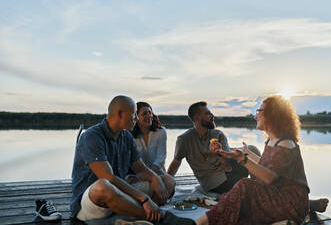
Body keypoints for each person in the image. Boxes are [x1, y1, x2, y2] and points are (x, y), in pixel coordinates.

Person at [193, 95, 326, 225]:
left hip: (291, 203)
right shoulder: (272, 140)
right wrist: (245, 153)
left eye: (259, 111)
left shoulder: (286, 143)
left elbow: (271, 178)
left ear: (273, 114)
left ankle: (200, 223)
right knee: (234, 204)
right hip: (280, 197)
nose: (255, 116)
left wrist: (242, 159)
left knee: (244, 186)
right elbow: (267, 166)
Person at [70, 95, 195, 224]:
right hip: (91, 203)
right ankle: (160, 217)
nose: (136, 118)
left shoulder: (126, 136)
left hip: (119, 195)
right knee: (103, 186)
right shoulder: (92, 136)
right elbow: (108, 177)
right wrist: (144, 198)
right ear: (119, 114)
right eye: (134, 114)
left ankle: (132, 213)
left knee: (168, 181)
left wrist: (155, 178)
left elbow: (140, 169)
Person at [167, 101, 260, 194]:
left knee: (252, 149)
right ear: (197, 118)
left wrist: (219, 153)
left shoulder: (218, 134)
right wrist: (166, 183)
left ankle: (260, 185)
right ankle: (259, 187)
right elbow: (176, 162)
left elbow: (228, 164)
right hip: (215, 182)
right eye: (207, 114)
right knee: (250, 160)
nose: (212, 115)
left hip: (228, 172)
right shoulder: (184, 139)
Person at [129, 101, 175, 195]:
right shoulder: (129, 136)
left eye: (150, 112)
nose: (149, 116)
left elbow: (161, 157)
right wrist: (142, 176)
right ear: (136, 117)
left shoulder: (161, 132)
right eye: (144, 114)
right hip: (138, 177)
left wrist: (151, 176)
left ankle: (149, 202)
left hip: (158, 175)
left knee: (170, 181)